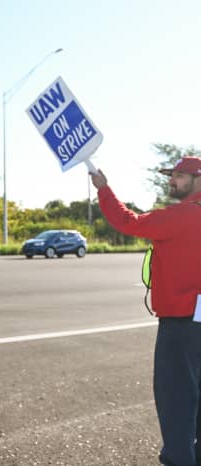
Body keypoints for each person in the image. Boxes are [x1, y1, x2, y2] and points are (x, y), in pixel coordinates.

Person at [90, 157, 201, 466]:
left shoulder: (180, 217)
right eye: (172, 175)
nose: (172, 181)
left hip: (181, 325)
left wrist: (103, 189)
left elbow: (128, 222)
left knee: (176, 396)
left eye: (180, 176)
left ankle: (180, 459)